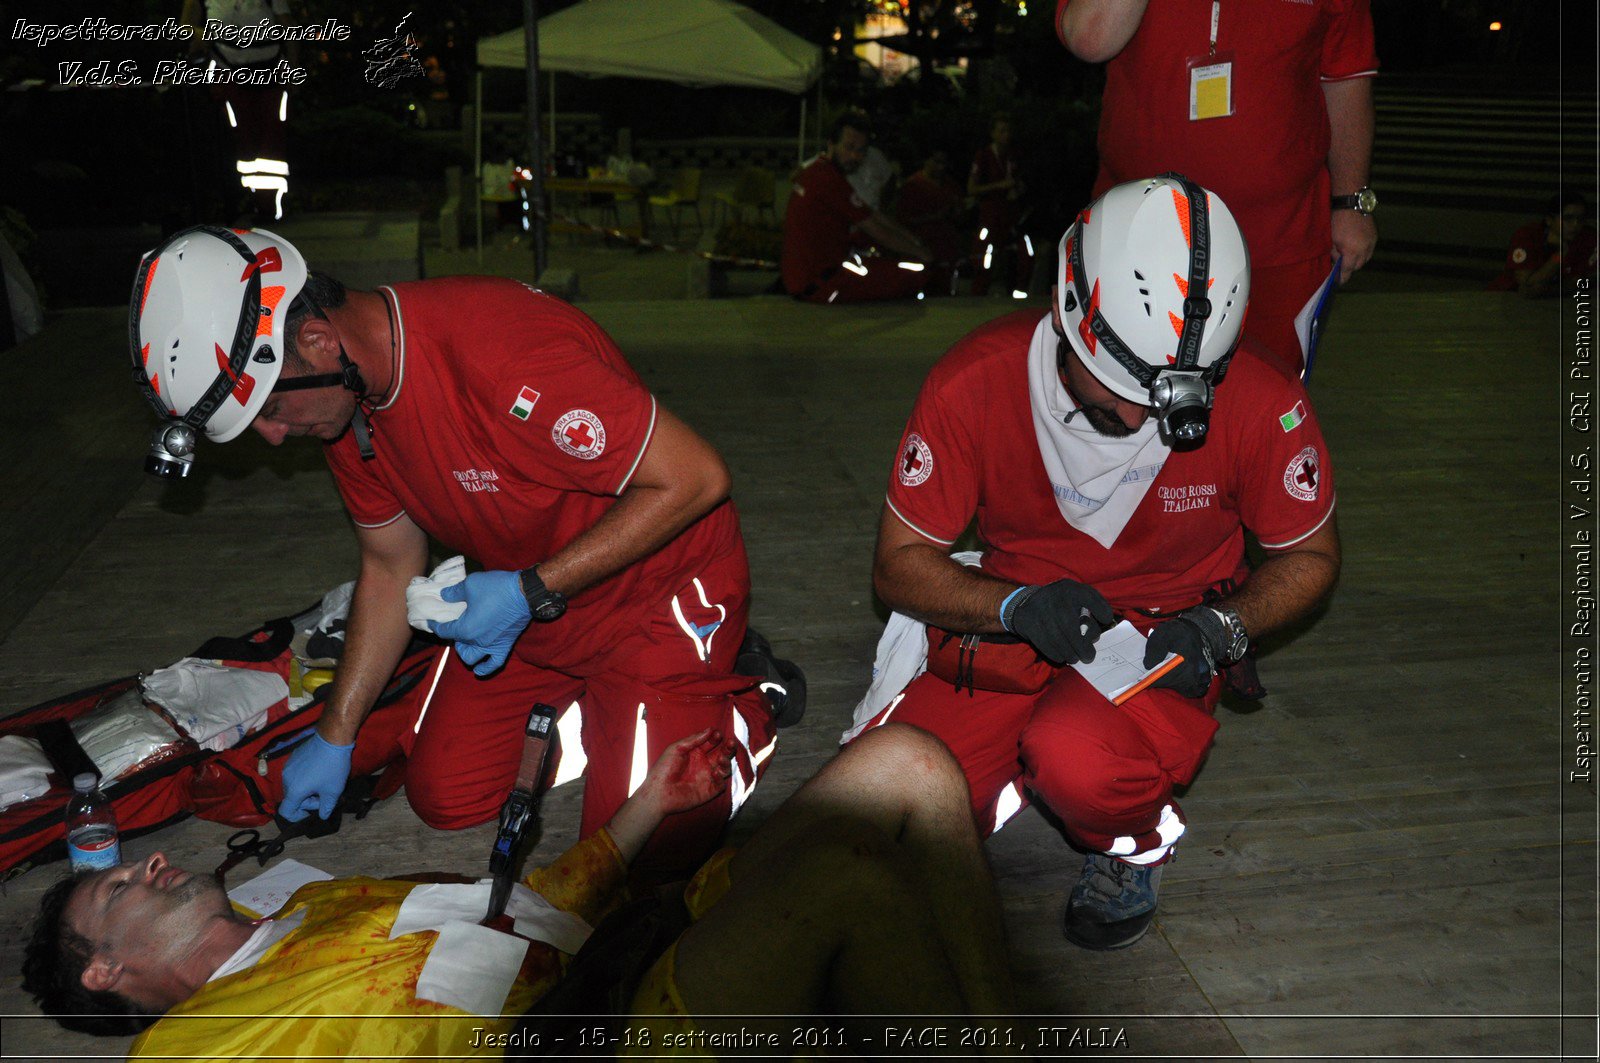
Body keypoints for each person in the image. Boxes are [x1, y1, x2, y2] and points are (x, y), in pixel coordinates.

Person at [128, 226, 782, 881]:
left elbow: (695, 477)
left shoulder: (503, 352)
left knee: (637, 869)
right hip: (534, 608)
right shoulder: (351, 408)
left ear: (318, 341)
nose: (272, 437)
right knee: (446, 796)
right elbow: (388, 566)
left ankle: (742, 704)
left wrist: (523, 593)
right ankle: (601, 715)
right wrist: (337, 732)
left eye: (269, 409)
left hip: (657, 597)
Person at [853, 176, 1340, 951]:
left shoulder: (1260, 399)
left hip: (1161, 639)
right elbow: (900, 564)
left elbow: (1309, 556)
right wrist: (1012, 607)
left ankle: (1137, 841)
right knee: (880, 831)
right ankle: (1009, 760)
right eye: (1122, 395)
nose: (1147, 419)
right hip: (1015, 613)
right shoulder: (976, 379)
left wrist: (1221, 628)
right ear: (1068, 315)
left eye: (1175, 400)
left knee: (1077, 761)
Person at [21, 725, 1015, 1058]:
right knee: (850, 876)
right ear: (106, 971)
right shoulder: (197, 1044)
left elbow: (529, 907)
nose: (150, 862)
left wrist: (646, 805)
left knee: (909, 765)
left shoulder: (317, 906)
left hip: (623, 941)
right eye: (116, 888)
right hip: (607, 1037)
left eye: (135, 860)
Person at [1057, 0, 1379, 376]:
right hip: (1137, 232)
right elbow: (1090, 38)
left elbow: (1346, 78)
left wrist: (1352, 201)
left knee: (1267, 400)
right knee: (1128, 399)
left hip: (1280, 239)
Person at [781, 110, 933, 304]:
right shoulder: (827, 178)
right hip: (822, 282)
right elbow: (875, 228)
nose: (854, 156)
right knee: (911, 272)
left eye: (860, 150)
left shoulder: (819, 171)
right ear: (831, 145)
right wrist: (920, 252)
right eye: (849, 147)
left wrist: (914, 240)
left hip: (812, 276)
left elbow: (872, 215)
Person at [180, 0, 297, 221]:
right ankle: (241, 200)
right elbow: (185, 26)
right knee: (238, 137)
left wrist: (294, 68)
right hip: (227, 72)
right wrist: (199, 35)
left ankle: (269, 203)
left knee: (271, 139)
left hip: (269, 71)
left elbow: (287, 26)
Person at [968, 114, 1033, 298]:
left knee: (1022, 253)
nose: (1006, 135)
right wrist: (999, 186)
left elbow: (1020, 182)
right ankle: (977, 296)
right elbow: (971, 188)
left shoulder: (1013, 155)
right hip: (989, 214)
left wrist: (1018, 189)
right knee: (984, 256)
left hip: (1010, 214)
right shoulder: (983, 156)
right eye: (1002, 131)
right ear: (993, 133)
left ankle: (1018, 295)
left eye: (1008, 131)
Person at [1488, 191, 1598, 297]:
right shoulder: (1528, 236)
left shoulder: (1588, 237)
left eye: (1581, 219)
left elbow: (1586, 280)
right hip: (1506, 298)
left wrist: (1552, 290)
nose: (1575, 224)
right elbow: (1527, 286)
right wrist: (1559, 255)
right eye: (1568, 219)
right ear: (1549, 220)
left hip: (1561, 303)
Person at [895, 150, 966, 294]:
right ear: (926, 161)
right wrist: (935, 217)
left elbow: (961, 215)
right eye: (936, 162)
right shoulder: (913, 185)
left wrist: (957, 213)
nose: (940, 167)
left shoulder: (950, 185)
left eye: (943, 163)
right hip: (923, 249)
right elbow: (903, 221)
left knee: (946, 293)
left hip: (947, 251)